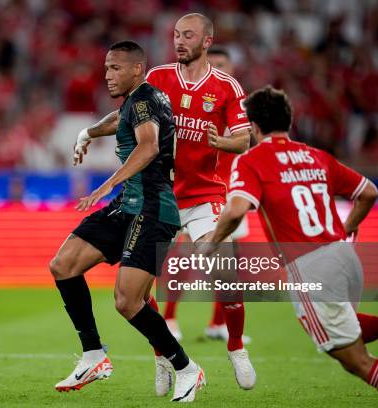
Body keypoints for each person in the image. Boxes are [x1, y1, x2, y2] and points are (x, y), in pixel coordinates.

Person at [76, 13, 256, 395]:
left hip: (204, 195)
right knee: (139, 292)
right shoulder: (157, 77)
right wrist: (89, 131)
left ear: (207, 41)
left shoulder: (226, 86)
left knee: (224, 274)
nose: (179, 41)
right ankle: (162, 356)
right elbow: (125, 117)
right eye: (176, 34)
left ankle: (236, 346)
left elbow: (243, 140)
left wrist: (219, 142)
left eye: (187, 35)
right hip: (158, 196)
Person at [208, 85, 378, 400]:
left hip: (311, 267)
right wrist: (347, 227)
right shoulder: (316, 155)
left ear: (254, 126)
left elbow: (235, 210)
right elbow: (368, 192)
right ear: (288, 121)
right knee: (346, 325)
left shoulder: (252, 160)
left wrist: (211, 242)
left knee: (357, 362)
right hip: (345, 256)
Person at [51, 40, 205, 403]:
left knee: (127, 301)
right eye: (106, 68)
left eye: (115, 68)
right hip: (129, 204)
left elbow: (148, 146)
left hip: (154, 208)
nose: (107, 75)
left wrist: (104, 185)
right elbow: (119, 121)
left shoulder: (145, 99)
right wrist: (88, 133)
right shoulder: (141, 101)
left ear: (137, 69)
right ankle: (93, 356)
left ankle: (186, 368)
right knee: (64, 264)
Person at [161, 46, 253, 345]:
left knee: (227, 261)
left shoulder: (235, 102)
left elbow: (247, 144)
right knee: (186, 254)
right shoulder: (193, 100)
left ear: (232, 68)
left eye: (222, 64)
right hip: (196, 190)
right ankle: (170, 317)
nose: (216, 69)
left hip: (230, 188)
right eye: (212, 64)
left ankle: (218, 323)